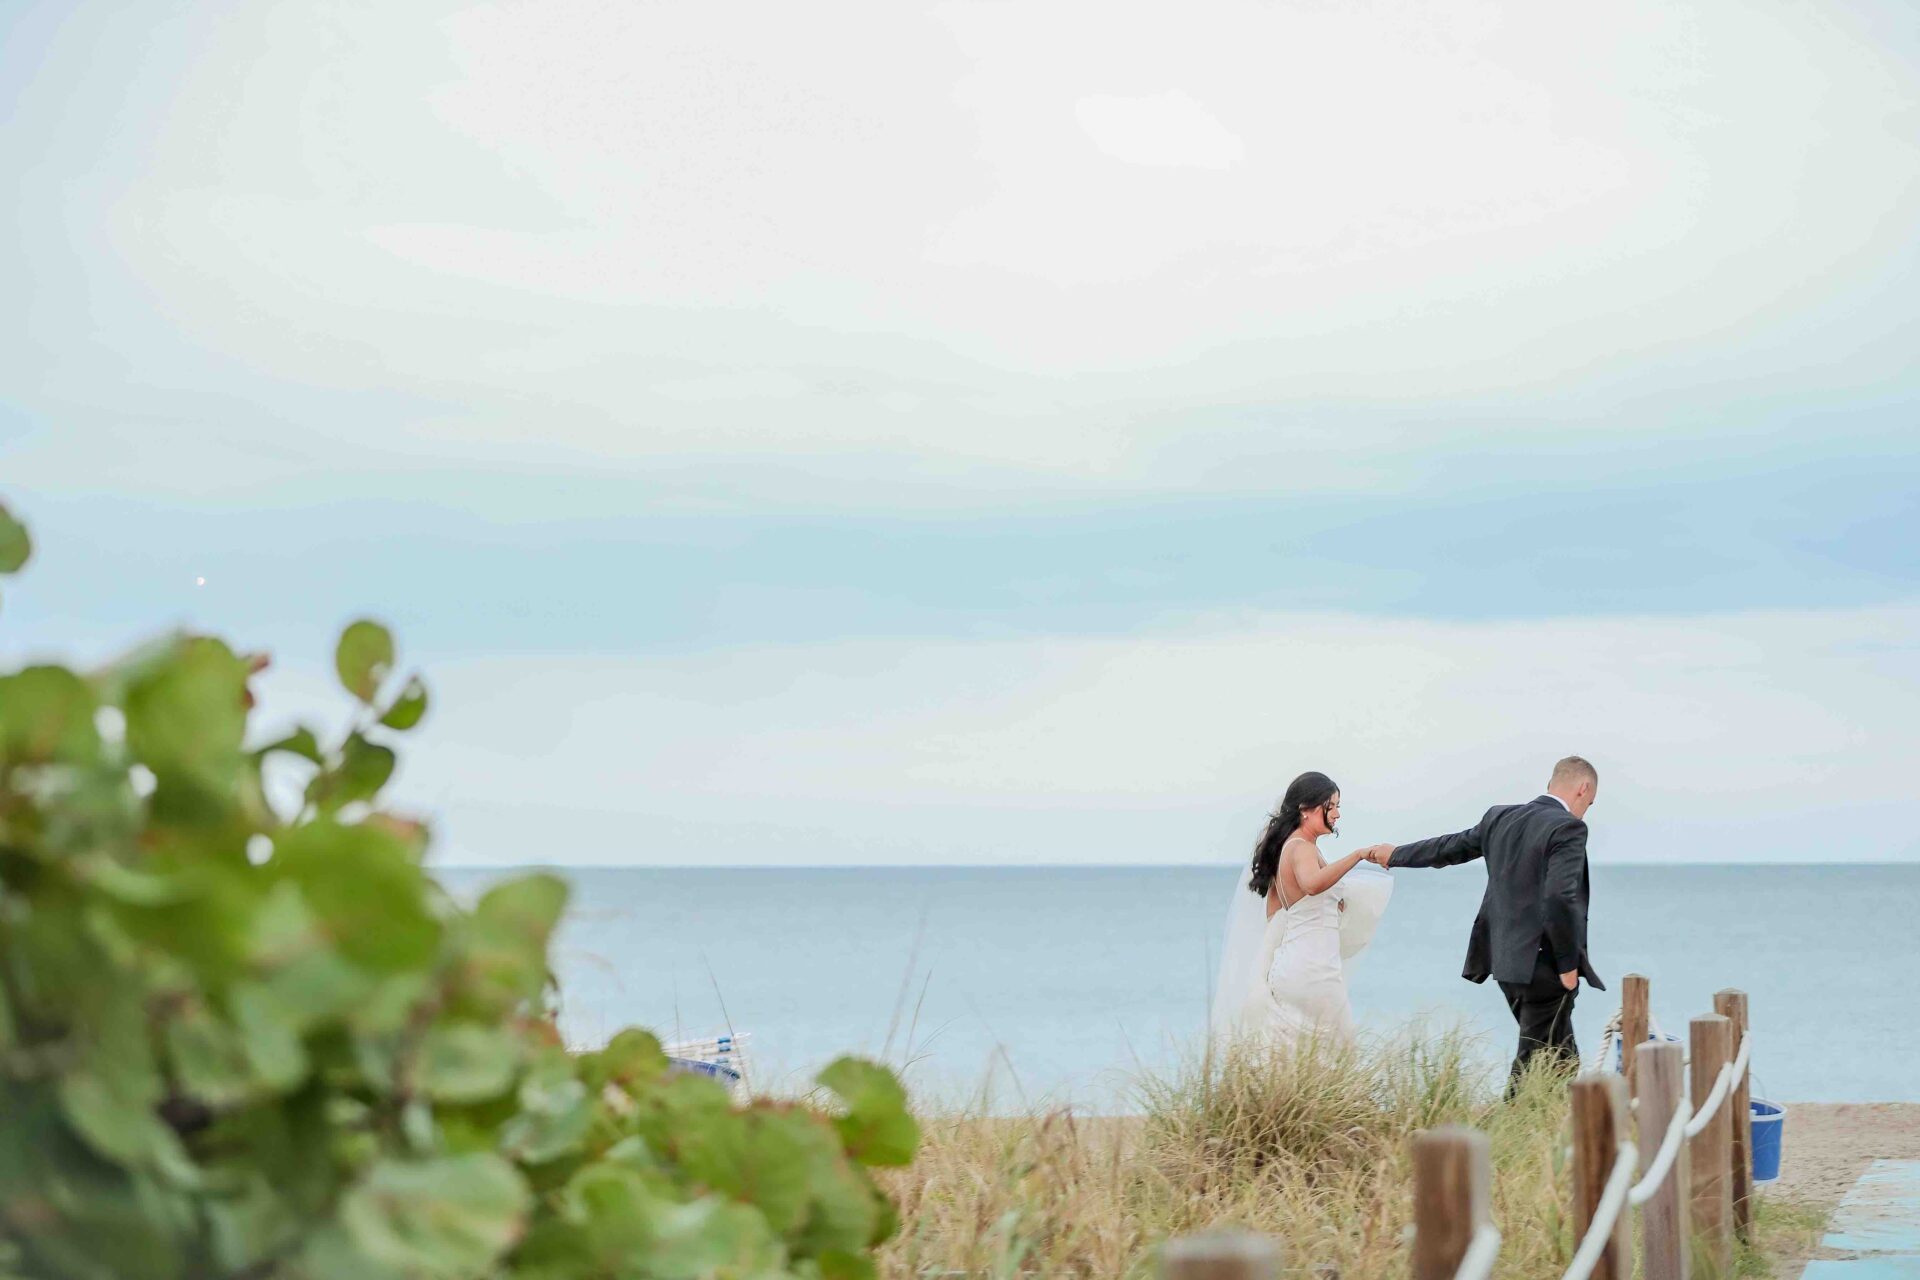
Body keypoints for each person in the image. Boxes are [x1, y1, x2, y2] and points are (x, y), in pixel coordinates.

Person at [1370, 755, 1602, 1090]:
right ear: (1583, 789)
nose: (1585, 811)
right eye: (1589, 803)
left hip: (1504, 963)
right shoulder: (1568, 827)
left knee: (1560, 1062)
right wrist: (1568, 964)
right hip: (1544, 966)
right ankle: (1503, 1132)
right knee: (1532, 1067)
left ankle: (1559, 1132)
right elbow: (1559, 898)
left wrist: (1397, 854)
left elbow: (1448, 848)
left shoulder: (1500, 818)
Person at [1211, 772, 1394, 1047]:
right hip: (1313, 970)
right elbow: (1311, 885)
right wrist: (1357, 855)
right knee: (1341, 1049)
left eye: (1337, 807)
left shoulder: (1297, 847)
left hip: (1297, 966)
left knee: (1304, 1058)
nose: (1337, 814)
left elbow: (1288, 908)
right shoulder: (1301, 847)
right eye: (1330, 807)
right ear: (1305, 810)